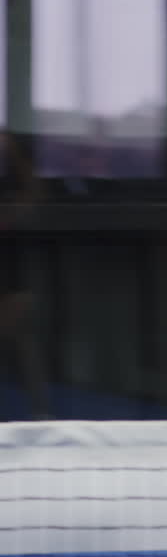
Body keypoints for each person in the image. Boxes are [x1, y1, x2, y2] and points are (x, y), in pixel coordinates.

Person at [0, 130, 48, 420]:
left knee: (22, 336)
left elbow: (34, 199)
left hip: (10, 272)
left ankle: (41, 412)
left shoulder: (12, 193)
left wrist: (13, 152)